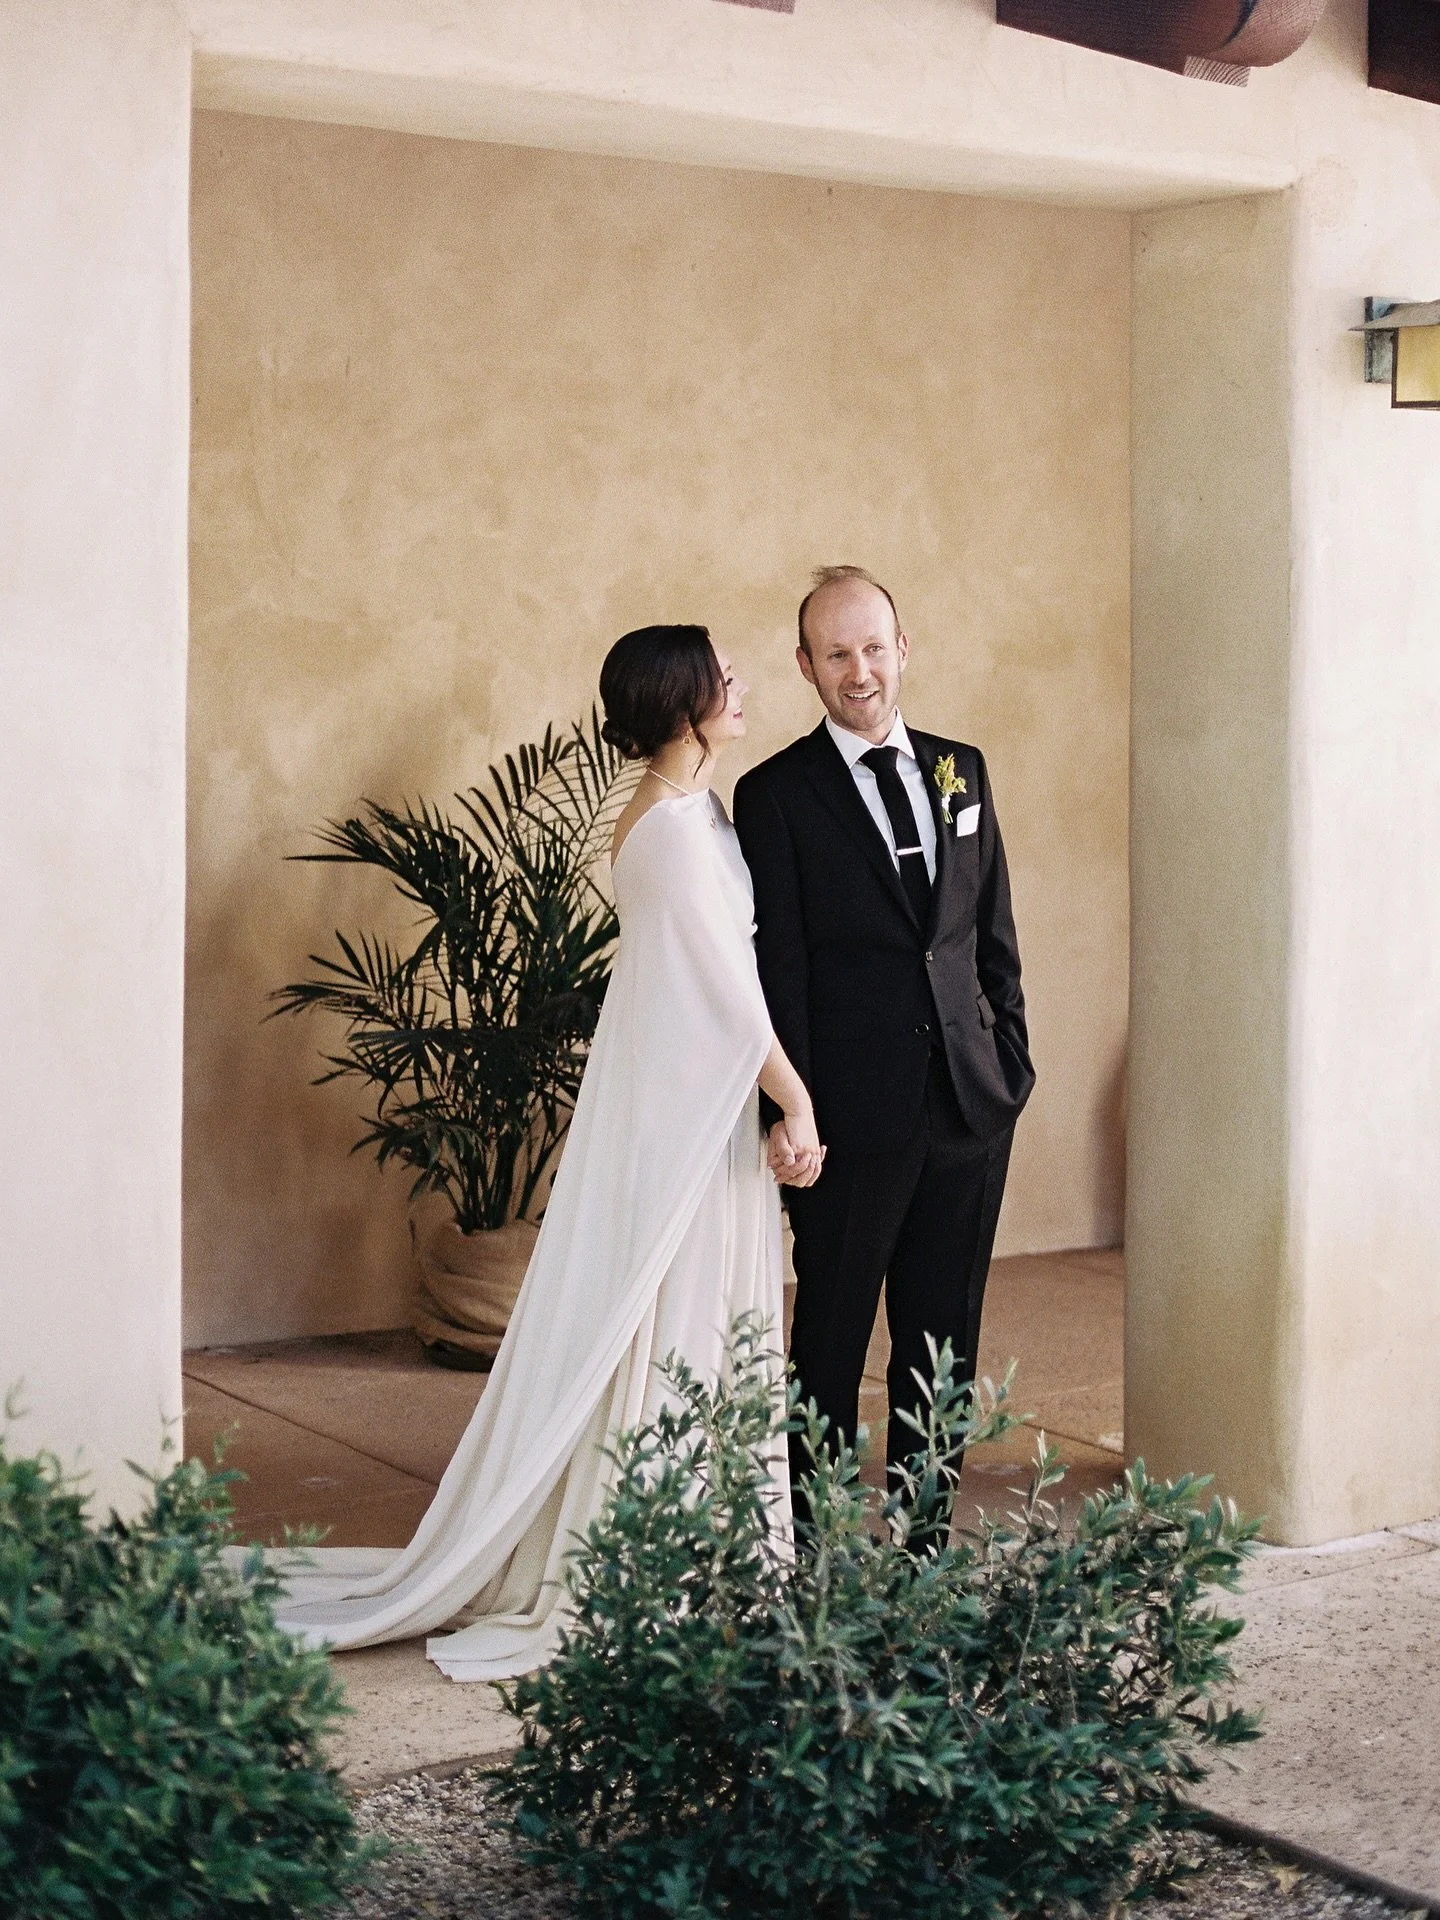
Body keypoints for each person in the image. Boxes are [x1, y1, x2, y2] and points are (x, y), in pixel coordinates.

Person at [264, 625, 821, 1680]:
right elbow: (724, 994)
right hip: (683, 1121)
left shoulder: (696, 810)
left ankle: (713, 1545)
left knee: (704, 1323)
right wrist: (795, 1106)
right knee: (671, 1324)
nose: (741, 686)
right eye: (725, 677)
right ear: (680, 701)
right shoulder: (660, 831)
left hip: (698, 1111)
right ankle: (657, 1553)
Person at [732, 566, 1034, 1521]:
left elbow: (992, 937)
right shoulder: (774, 794)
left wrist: (1009, 1068)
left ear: (902, 648)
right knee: (827, 1343)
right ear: (805, 666)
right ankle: (815, 1563)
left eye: (872, 647)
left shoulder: (964, 768)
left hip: (968, 1109)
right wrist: (788, 1108)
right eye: (835, 654)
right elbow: (777, 972)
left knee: (941, 1344)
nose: (857, 671)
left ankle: (921, 1546)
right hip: (848, 1124)